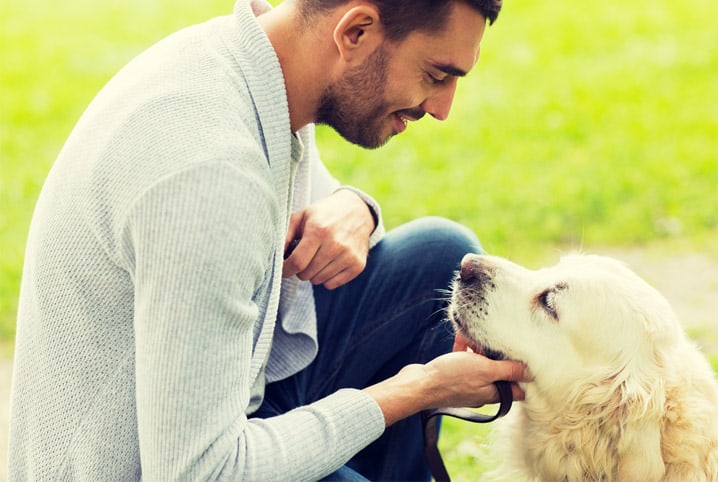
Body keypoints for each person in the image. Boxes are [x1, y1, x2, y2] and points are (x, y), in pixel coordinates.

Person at [9, 0, 530, 480]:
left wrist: (356, 209)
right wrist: (418, 389)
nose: (442, 108)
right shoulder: (209, 173)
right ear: (356, 31)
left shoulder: (254, 64)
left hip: (233, 400)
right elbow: (200, 472)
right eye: (436, 75)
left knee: (438, 258)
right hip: (162, 466)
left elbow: (305, 206)